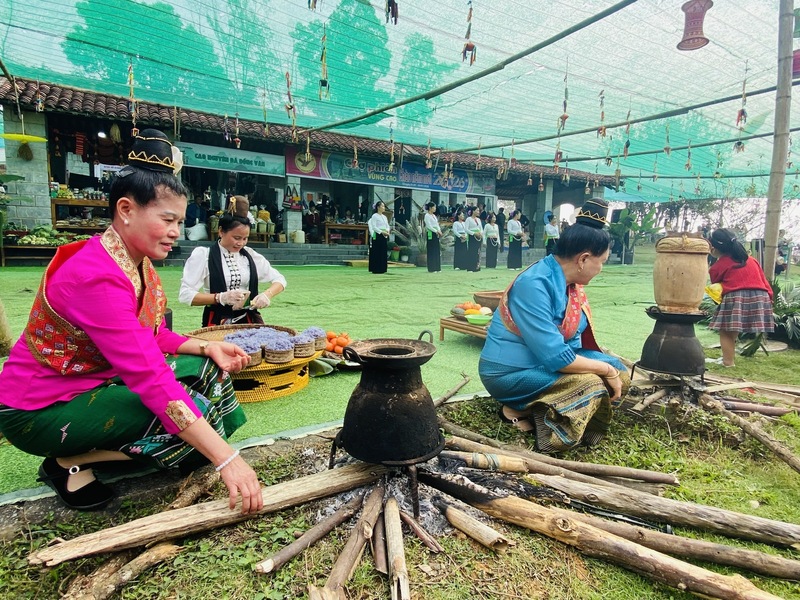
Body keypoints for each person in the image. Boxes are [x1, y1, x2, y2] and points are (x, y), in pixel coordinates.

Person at [0, 130, 263, 514]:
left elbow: (150, 336)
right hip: (38, 408)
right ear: (126, 210)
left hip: (95, 379)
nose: (177, 231)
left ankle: (170, 445)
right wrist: (228, 459)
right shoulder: (97, 275)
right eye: (168, 219)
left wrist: (207, 346)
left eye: (181, 221)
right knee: (189, 416)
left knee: (209, 371)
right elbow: (150, 377)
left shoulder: (135, 262)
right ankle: (69, 464)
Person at [479, 198, 630, 453]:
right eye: (601, 261)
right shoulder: (534, 284)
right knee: (591, 382)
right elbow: (557, 358)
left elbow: (572, 344)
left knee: (620, 370)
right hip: (510, 373)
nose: (601, 269)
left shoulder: (571, 284)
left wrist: (610, 368)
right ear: (583, 259)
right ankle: (541, 424)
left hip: (546, 364)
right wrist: (604, 370)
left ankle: (539, 407)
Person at [179, 199, 287, 327]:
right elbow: (185, 295)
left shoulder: (249, 255)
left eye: (245, 238)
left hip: (248, 320)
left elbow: (280, 280)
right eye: (236, 238)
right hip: (217, 321)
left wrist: (266, 295)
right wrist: (220, 298)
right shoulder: (204, 255)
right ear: (221, 231)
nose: (240, 243)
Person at [707, 228, 774, 368]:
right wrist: (770, 299)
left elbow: (716, 287)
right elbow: (763, 280)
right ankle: (727, 358)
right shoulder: (751, 260)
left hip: (736, 296)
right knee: (733, 329)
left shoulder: (718, 266)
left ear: (714, 247)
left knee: (725, 330)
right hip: (761, 296)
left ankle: (728, 362)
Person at [368, 200, 391, 274]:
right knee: (377, 252)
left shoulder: (384, 217)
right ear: (378, 207)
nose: (384, 207)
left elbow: (387, 225)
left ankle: (382, 268)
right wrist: (382, 232)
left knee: (383, 252)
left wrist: (387, 231)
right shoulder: (374, 216)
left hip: (384, 235)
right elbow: (374, 227)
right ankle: (376, 268)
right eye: (382, 206)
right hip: (378, 235)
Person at [424, 201, 442, 272]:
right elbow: (429, 226)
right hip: (431, 233)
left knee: (436, 250)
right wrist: (436, 231)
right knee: (431, 250)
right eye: (434, 207)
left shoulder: (434, 216)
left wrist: (439, 230)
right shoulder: (427, 216)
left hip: (437, 233)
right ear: (430, 208)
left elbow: (437, 224)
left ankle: (437, 267)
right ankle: (432, 268)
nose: (435, 208)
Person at [465, 207, 483, 272]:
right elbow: (466, 229)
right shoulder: (468, 219)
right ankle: (470, 267)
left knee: (477, 252)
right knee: (471, 252)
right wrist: (473, 233)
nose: (478, 212)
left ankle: (477, 266)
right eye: (477, 210)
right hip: (472, 237)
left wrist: (481, 233)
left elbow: (481, 228)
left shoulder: (478, 219)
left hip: (478, 237)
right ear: (473, 211)